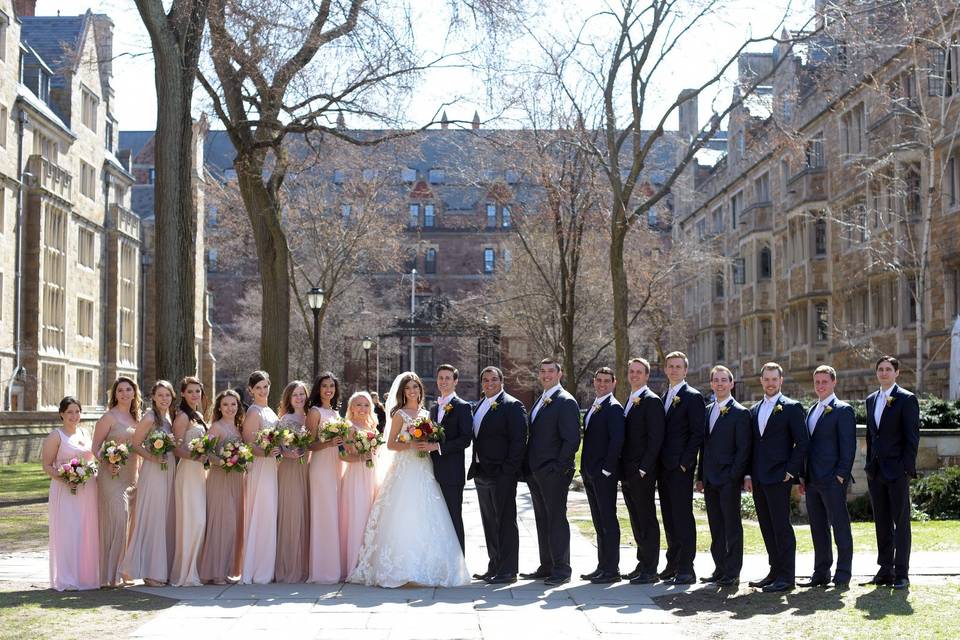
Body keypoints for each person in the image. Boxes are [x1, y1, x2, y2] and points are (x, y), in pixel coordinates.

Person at [349, 372, 470, 588]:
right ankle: (400, 568)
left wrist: (427, 441)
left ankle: (428, 566)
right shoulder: (399, 414)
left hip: (425, 467)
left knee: (428, 513)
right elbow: (391, 444)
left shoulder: (427, 413)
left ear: (420, 390)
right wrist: (412, 444)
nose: (412, 391)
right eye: (408, 389)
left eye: (415, 387)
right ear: (402, 392)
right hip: (405, 468)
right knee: (403, 512)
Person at [746, 362, 808, 593]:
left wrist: (791, 471)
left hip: (780, 477)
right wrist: (748, 474)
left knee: (781, 527)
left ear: (781, 381)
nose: (770, 383)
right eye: (767, 379)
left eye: (774, 379)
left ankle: (787, 576)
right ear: (761, 381)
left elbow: (802, 442)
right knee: (766, 526)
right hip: (759, 478)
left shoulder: (791, 407)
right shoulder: (754, 410)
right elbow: (752, 445)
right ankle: (774, 572)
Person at [861, 356, 920, 590]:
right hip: (876, 472)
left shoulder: (907, 399)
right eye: (880, 369)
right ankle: (885, 569)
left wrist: (906, 468)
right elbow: (870, 436)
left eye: (888, 369)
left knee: (901, 523)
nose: (884, 373)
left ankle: (902, 572)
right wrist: (868, 465)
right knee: (881, 522)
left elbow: (912, 438)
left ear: (896, 373)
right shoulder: (871, 399)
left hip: (897, 471)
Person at [521, 358, 580, 587]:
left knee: (556, 520)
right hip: (536, 472)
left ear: (559, 374)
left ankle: (562, 569)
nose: (546, 375)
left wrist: (557, 467)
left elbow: (571, 439)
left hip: (553, 473)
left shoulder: (565, 401)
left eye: (550, 371)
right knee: (542, 520)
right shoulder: (542, 399)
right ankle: (547, 565)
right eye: (542, 371)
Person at [799, 365, 856, 589]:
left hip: (833, 480)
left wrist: (841, 476)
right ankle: (820, 573)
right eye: (817, 382)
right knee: (818, 528)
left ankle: (843, 574)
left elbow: (848, 447)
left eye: (824, 381)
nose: (820, 386)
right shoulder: (812, 409)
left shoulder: (842, 409)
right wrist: (803, 476)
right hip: (812, 480)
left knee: (840, 527)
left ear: (834, 383)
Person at [469, 366, 527, 584]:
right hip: (482, 472)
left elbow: (519, 441)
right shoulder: (479, 405)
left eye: (494, 379)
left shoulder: (512, 405)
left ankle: (508, 570)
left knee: (504, 521)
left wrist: (507, 471)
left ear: (502, 381)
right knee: (489, 522)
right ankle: (494, 565)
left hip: (502, 474)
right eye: (485, 380)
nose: (489, 383)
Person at [696, 365, 751, 587]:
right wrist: (700, 476)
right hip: (709, 479)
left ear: (731, 384)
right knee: (715, 526)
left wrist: (733, 477)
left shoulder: (740, 412)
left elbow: (743, 449)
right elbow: (704, 447)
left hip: (728, 479)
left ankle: (732, 571)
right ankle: (719, 568)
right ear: (711, 384)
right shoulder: (707, 410)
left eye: (723, 380)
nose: (719, 383)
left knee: (732, 527)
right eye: (715, 380)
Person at [120, 380, 177, 586]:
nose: (164, 399)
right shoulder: (150, 417)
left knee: (165, 518)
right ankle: (150, 572)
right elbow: (135, 444)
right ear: (153, 397)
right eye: (160, 395)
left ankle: (162, 568)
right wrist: (152, 457)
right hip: (153, 470)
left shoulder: (168, 417)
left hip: (168, 467)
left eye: (167, 395)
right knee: (153, 517)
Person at [657, 351, 705, 585]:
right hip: (664, 468)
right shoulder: (665, 395)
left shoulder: (692, 396)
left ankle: (687, 567)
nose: (674, 370)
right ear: (665, 369)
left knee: (683, 516)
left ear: (686, 370)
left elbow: (697, 433)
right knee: (669, 516)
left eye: (678, 366)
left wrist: (686, 463)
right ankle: (673, 562)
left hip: (680, 469)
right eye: (670, 366)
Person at [43, 396, 100, 591]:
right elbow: (47, 465)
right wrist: (66, 478)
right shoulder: (56, 436)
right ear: (61, 414)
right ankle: (67, 577)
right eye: (70, 412)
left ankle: (84, 575)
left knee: (85, 530)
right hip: (65, 490)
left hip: (87, 490)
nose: (74, 416)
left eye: (77, 411)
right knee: (68, 531)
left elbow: (91, 458)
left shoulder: (85, 432)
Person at [92, 376, 141, 587]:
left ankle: (124, 571)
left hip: (132, 477)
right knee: (117, 522)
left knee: (130, 525)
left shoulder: (137, 418)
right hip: (111, 476)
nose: (124, 394)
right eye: (120, 390)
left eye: (128, 389)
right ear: (115, 394)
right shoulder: (108, 418)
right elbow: (95, 448)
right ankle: (108, 575)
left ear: (134, 393)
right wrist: (107, 461)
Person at [620, 357, 665, 585]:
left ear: (647, 375)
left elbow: (656, 438)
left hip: (642, 472)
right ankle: (642, 562)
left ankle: (651, 568)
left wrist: (644, 468)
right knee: (636, 519)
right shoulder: (629, 399)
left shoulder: (651, 401)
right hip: (627, 472)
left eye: (639, 372)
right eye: (632, 371)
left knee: (646, 518)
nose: (635, 375)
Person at [579, 367, 624, 584]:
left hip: (603, 475)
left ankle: (612, 568)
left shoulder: (614, 408)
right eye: (599, 380)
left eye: (607, 380)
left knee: (608, 520)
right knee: (599, 522)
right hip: (590, 473)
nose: (602, 384)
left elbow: (617, 441)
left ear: (614, 383)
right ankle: (602, 566)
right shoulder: (595, 406)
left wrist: (606, 469)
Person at [198, 390, 246, 585]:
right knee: (221, 523)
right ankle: (215, 572)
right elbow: (205, 452)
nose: (230, 408)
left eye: (233, 404)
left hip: (236, 479)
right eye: (225, 404)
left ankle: (227, 570)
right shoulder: (216, 428)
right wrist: (223, 462)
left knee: (233, 526)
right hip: (219, 478)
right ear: (219, 407)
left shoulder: (238, 428)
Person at [427, 364, 474, 553]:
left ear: (455, 381)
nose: (443, 381)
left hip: (452, 473)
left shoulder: (462, 407)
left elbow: (465, 439)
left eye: (448, 378)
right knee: (437, 518)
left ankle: (458, 561)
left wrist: (437, 446)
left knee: (453, 516)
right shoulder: (433, 408)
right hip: (432, 471)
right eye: (441, 378)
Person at [240, 370, 281, 585]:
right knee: (261, 511)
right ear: (251, 390)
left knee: (269, 513)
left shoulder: (270, 411)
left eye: (265, 386)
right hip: (260, 467)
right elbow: (248, 443)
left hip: (272, 466)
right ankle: (256, 569)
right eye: (258, 388)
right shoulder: (254, 412)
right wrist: (266, 452)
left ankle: (267, 566)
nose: (263, 390)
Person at [305, 372, 345, 584]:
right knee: (323, 514)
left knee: (333, 514)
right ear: (318, 390)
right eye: (324, 386)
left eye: (331, 386)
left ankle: (333, 565)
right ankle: (321, 570)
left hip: (335, 464)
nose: (328, 389)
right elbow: (308, 444)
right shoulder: (314, 412)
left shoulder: (336, 412)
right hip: (320, 465)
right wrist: (328, 444)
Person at [170, 376, 209, 587]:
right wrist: (196, 456)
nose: (195, 395)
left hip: (199, 473)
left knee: (200, 520)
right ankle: (185, 572)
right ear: (183, 393)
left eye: (198, 391)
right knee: (192, 520)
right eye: (191, 391)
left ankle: (195, 568)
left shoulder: (199, 415)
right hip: (187, 472)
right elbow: (176, 447)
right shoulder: (183, 417)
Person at [340, 391, 381, 578]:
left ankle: (368, 561)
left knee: (370, 517)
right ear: (351, 408)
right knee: (357, 517)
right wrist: (360, 457)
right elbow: (343, 455)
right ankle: (354, 565)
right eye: (358, 405)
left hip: (372, 475)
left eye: (366, 405)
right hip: (356, 476)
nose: (362, 408)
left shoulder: (372, 425)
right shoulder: (349, 427)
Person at [275, 380, 311, 583]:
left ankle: (303, 565)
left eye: (302, 394)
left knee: (304, 514)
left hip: (307, 468)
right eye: (295, 394)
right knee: (291, 513)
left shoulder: (310, 417)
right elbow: (279, 448)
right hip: (289, 469)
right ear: (289, 398)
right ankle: (288, 566)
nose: (299, 398)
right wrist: (288, 453)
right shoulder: (285, 419)